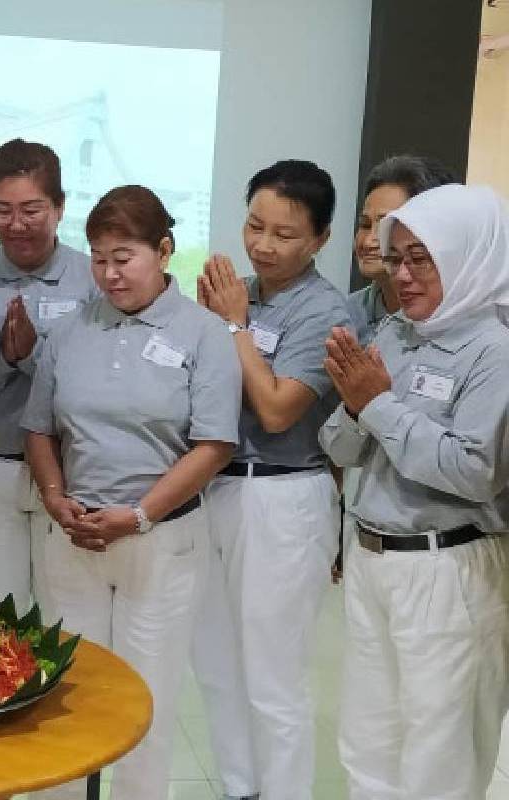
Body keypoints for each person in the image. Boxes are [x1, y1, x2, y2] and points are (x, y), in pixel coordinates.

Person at [23, 185, 240, 800]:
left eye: (124, 257)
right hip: (74, 537)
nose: (109, 273)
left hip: (161, 541)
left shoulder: (203, 334)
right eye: (97, 258)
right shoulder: (69, 333)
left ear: (164, 251)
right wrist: (54, 496)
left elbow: (214, 445)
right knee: (66, 695)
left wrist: (140, 515)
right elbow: (39, 428)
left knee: (146, 700)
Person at [320, 183, 509, 800]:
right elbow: (339, 446)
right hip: (373, 558)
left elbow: (474, 470)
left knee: (440, 752)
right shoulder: (395, 333)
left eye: (420, 258)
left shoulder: (494, 352)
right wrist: (358, 409)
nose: (401, 274)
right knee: (368, 740)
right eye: (394, 258)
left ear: (467, 255)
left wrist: (377, 404)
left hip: (448, 566)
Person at [193, 159, 353, 800]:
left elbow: (279, 407)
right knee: (216, 661)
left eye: (284, 234)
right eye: (254, 225)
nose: (261, 244)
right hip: (217, 486)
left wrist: (230, 326)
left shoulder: (325, 308)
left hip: (283, 495)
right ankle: (240, 788)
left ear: (320, 239)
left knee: (273, 673)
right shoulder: (242, 294)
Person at [0, 139, 94, 613]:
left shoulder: (93, 280)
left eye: (32, 209)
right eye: (2, 210)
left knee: (67, 611)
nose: (16, 225)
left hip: (72, 471)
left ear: (59, 207)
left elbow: (99, 380)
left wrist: (32, 357)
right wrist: (4, 356)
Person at [348, 155, 458, 345]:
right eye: (364, 225)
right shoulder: (341, 312)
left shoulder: (456, 323)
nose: (368, 241)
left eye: (386, 226)